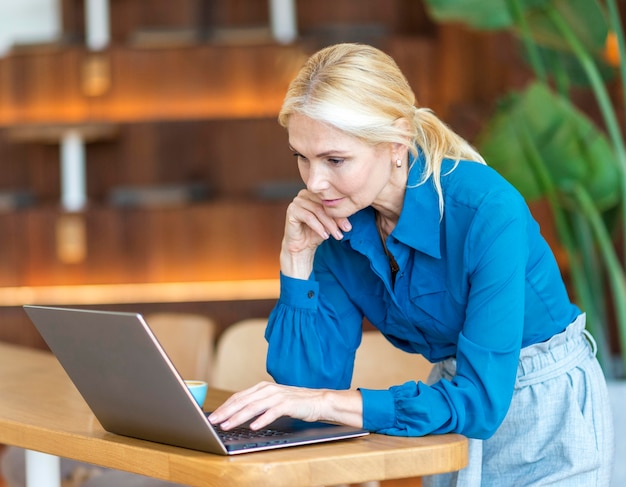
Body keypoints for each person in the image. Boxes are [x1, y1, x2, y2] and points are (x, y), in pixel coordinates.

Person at [208, 43, 615, 486]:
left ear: (396, 142)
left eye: (335, 159)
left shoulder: (487, 210)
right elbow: (305, 394)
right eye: (301, 157)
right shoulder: (339, 224)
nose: (314, 182)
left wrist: (329, 403)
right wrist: (297, 263)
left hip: (545, 416)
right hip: (448, 412)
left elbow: (479, 400)